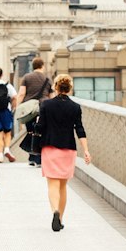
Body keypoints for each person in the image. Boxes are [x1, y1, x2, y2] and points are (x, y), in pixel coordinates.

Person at [36, 74, 90, 231]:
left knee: (52, 184)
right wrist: (86, 150)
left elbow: (40, 127)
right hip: (68, 148)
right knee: (63, 186)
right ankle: (60, 218)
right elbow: (79, 129)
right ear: (70, 88)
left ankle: (55, 211)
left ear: (55, 87)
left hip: (49, 147)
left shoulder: (46, 105)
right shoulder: (75, 107)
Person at [13, 58, 53, 167]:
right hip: (43, 107)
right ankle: (39, 158)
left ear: (33, 66)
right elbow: (51, 96)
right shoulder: (47, 79)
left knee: (30, 131)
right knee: (41, 132)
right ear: (42, 66)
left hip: (29, 109)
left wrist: (17, 107)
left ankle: (32, 157)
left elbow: (21, 94)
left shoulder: (27, 77)